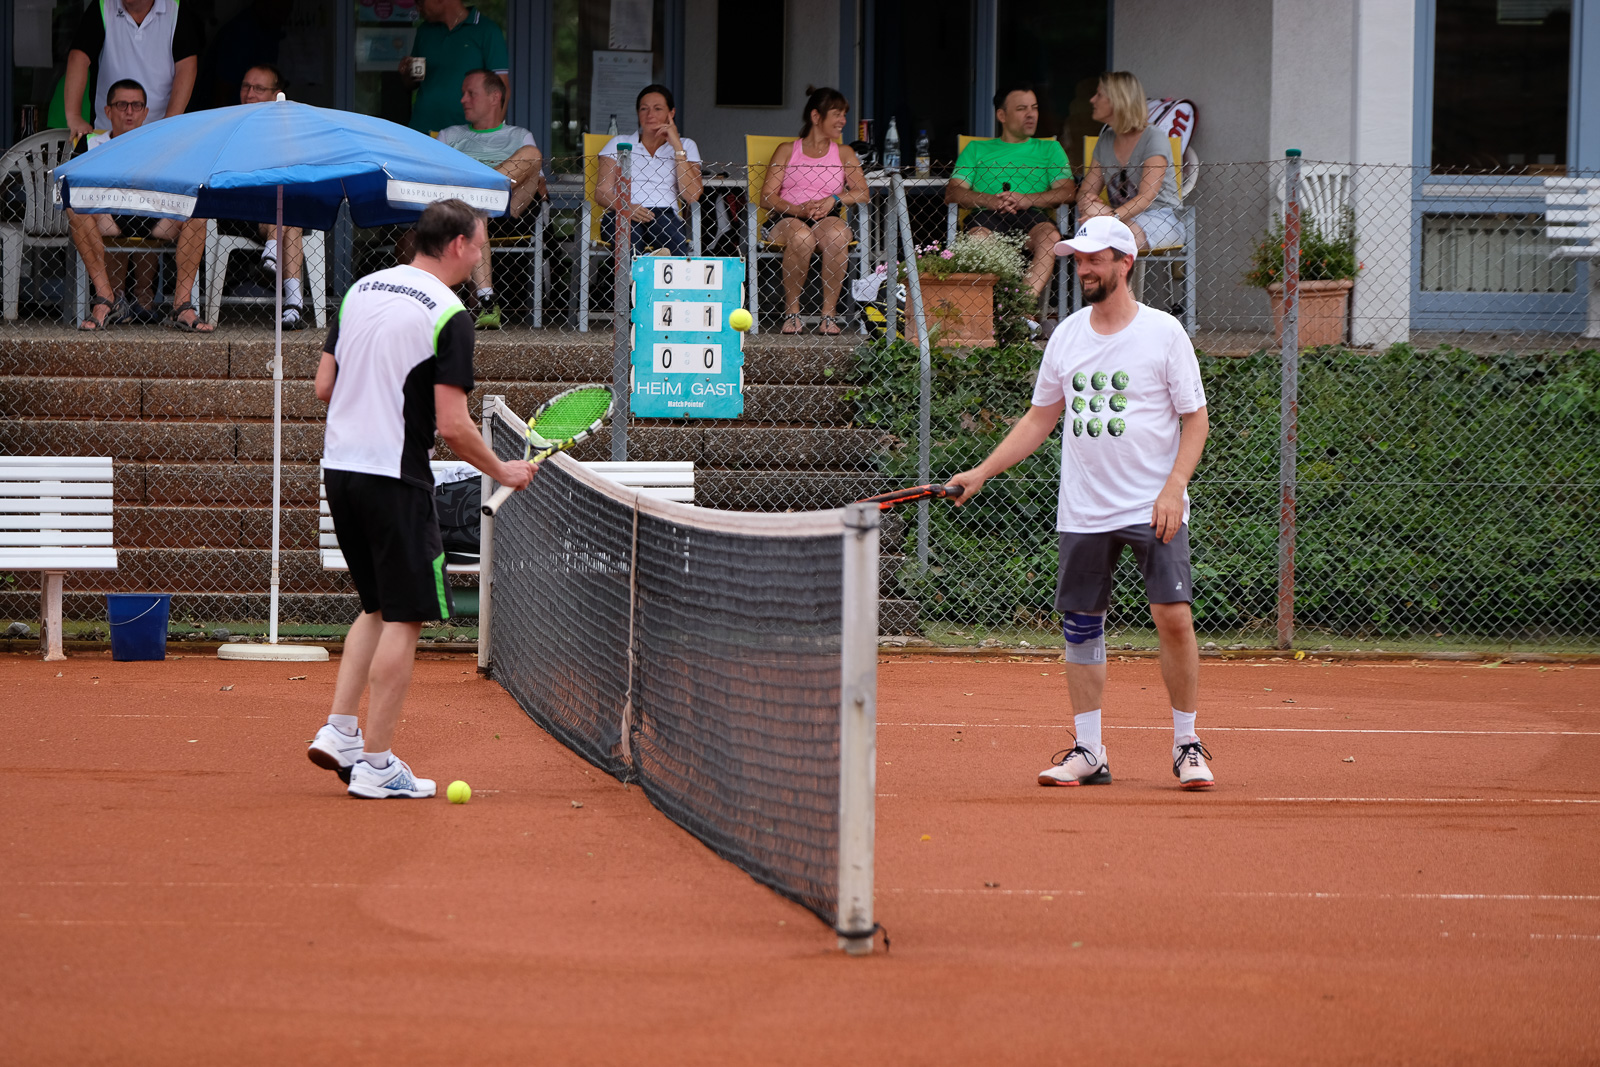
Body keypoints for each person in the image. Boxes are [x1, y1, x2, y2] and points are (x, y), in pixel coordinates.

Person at [945, 216, 1213, 790]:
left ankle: (1187, 744)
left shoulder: (1164, 332)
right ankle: (1089, 751)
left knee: (1173, 618)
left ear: (1125, 263)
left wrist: (1175, 487)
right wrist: (982, 472)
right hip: (1085, 509)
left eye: (1095, 259)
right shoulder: (1066, 334)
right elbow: (1041, 417)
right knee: (1082, 626)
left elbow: (1196, 419)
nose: (1084, 269)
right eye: (1078, 260)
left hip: (1152, 505)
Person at [308, 199, 536, 799]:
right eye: (480, 244)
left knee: (377, 607)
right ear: (458, 245)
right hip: (394, 478)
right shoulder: (450, 314)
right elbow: (455, 426)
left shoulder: (360, 290)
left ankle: (340, 731)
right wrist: (503, 471)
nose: (482, 255)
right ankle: (377, 765)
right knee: (405, 618)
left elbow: (323, 385)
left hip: (340, 470)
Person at [66, 79, 213, 333]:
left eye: (136, 105)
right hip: (109, 218)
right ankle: (104, 299)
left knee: (198, 211)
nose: (129, 112)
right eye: (122, 105)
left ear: (146, 112)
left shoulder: (165, 143)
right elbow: (71, 186)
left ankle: (182, 306)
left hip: (157, 218)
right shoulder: (89, 144)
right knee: (74, 206)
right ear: (108, 111)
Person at [437, 69, 546, 329]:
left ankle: (482, 191)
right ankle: (488, 302)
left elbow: (538, 183)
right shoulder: (449, 135)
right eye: (463, 94)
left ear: (495, 97)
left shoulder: (519, 135)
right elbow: (437, 180)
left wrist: (484, 182)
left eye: (470, 94)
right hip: (461, 212)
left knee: (532, 153)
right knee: (477, 211)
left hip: (510, 208)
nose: (463, 100)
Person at [946, 84, 1076, 300]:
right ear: (1002, 115)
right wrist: (989, 200)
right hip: (986, 216)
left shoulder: (1050, 149)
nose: (1031, 114)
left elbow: (1068, 191)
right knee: (978, 239)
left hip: (1032, 216)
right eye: (1021, 108)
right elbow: (953, 192)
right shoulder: (976, 149)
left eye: (1034, 108)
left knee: (1051, 237)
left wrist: (1027, 199)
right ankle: (992, 307)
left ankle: (1021, 306)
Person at [758, 86, 869, 335]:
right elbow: (767, 196)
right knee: (802, 237)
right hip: (786, 218)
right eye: (837, 114)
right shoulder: (787, 150)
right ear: (816, 116)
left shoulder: (844, 152)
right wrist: (798, 209)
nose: (843, 121)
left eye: (844, 115)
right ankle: (793, 311)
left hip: (825, 217)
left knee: (838, 235)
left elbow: (863, 192)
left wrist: (834, 199)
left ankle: (829, 315)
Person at [230, 64, 311, 330]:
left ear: (277, 94)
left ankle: (274, 258)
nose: (250, 94)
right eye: (245, 86)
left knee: (290, 216)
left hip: (277, 208)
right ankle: (294, 304)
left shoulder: (292, 128)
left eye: (259, 88)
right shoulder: (229, 123)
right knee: (290, 219)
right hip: (238, 208)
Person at [62, 0, 203, 143]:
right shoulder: (103, 5)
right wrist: (74, 116)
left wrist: (170, 120)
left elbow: (187, 67)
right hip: (107, 135)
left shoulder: (175, 8)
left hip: (159, 135)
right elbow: (78, 58)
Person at [1075, 71, 1184, 253]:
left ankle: (1116, 281)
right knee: (1096, 224)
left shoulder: (1153, 137)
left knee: (1110, 241)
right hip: (1119, 220)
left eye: (1099, 95)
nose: (1092, 100)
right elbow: (1086, 190)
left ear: (1118, 100)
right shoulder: (1105, 140)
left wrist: (1110, 217)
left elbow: (1146, 197)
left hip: (1161, 218)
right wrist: (1088, 201)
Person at [595, 84, 703, 258]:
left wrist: (676, 147)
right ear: (638, 113)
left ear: (671, 113)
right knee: (630, 238)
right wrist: (626, 207)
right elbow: (601, 192)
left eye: (658, 109)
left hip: (664, 213)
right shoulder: (620, 143)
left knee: (668, 234)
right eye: (644, 109)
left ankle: (664, 279)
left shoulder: (686, 145)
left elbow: (692, 195)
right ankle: (635, 279)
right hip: (622, 210)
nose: (650, 114)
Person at [400, 0, 509, 135]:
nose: (417, 8)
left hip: (466, 134)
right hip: (423, 130)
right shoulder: (424, 30)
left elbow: (502, 89)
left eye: (421, 2)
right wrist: (406, 72)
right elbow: (411, 84)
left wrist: (490, 135)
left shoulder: (486, 30)